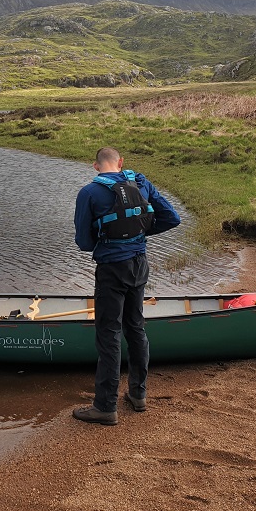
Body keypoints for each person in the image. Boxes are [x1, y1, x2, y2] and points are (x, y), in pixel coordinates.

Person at [72, 146, 180, 425]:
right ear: (121, 163)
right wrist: (139, 232)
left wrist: (109, 237)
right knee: (136, 328)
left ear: (95, 166)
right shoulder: (142, 183)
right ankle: (138, 394)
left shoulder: (89, 193)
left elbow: (84, 243)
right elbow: (172, 218)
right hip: (139, 264)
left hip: (111, 270)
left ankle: (105, 407)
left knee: (109, 335)